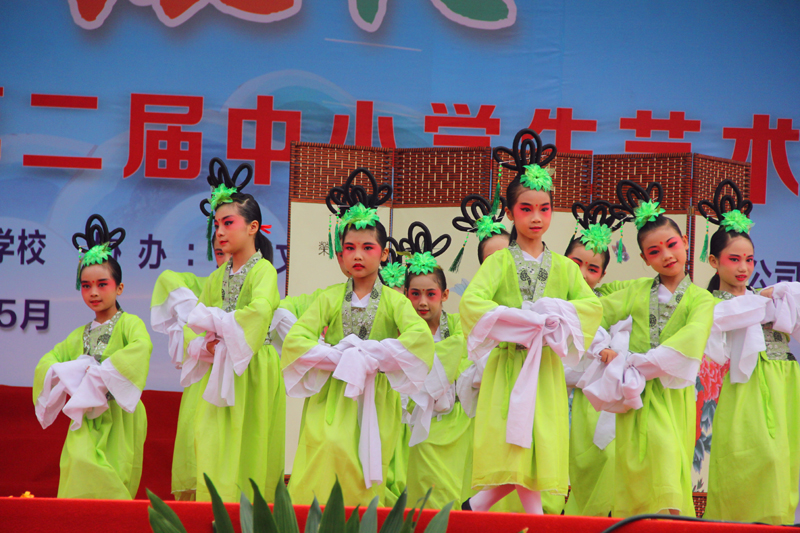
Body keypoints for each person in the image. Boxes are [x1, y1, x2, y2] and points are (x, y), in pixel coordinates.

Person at [459, 128, 602, 514]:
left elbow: (591, 308)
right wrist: (522, 322)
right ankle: (503, 515)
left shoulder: (565, 267)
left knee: (536, 449)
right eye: (526, 209)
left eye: (544, 208)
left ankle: (474, 510)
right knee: (517, 450)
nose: (536, 217)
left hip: (546, 369)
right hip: (509, 366)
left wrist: (555, 316)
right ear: (509, 213)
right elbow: (472, 304)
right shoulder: (499, 261)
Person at [282, 167, 434, 506]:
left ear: (384, 253)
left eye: (367, 247)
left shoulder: (395, 301)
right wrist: (340, 356)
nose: (358, 255)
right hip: (333, 395)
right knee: (327, 446)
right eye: (349, 248)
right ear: (340, 254)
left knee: (366, 464)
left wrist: (372, 356)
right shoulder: (329, 298)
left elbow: (419, 339)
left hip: (375, 397)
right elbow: (297, 339)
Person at [582, 180, 715, 517]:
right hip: (636, 392)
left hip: (672, 392)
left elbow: (694, 335)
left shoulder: (701, 298)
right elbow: (596, 312)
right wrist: (601, 347)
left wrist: (643, 362)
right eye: (655, 252)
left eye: (671, 245)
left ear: (685, 242)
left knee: (669, 460)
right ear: (644, 258)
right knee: (636, 468)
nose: (666, 255)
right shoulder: (636, 290)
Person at [177, 158, 284, 502]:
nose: (220, 232)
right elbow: (193, 322)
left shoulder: (263, 271)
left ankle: (245, 515)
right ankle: (212, 508)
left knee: (249, 445)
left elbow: (261, 310)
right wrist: (204, 344)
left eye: (228, 223)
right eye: (217, 224)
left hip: (251, 369)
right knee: (210, 441)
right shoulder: (215, 278)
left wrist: (220, 328)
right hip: (218, 367)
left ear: (253, 227)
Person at [699, 179, 800, 525]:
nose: (743, 268)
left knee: (784, 463)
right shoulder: (712, 303)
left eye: (749, 259)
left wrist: (776, 295)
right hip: (745, 387)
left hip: (785, 381)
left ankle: (777, 525)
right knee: (752, 460)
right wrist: (766, 300)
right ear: (714, 261)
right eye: (734, 259)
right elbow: (725, 319)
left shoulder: (766, 298)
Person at [33, 214, 152, 499]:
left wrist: (101, 374)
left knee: (114, 476)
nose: (93, 292)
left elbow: (141, 347)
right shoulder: (80, 335)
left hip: (120, 415)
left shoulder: (129, 324)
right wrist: (67, 373)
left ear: (119, 287)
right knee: (79, 464)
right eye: (86, 285)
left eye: (102, 284)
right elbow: (49, 360)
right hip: (86, 417)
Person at [150, 232, 229, 500]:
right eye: (219, 252)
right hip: (203, 382)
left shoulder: (258, 286)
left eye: (231, 251)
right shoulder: (203, 286)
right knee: (199, 447)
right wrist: (201, 320)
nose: (225, 258)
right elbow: (167, 279)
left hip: (239, 380)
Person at [561, 199, 626, 517]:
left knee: (599, 467)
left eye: (593, 269)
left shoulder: (607, 303)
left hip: (591, 403)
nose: (583, 274)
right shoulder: (546, 300)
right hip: (548, 396)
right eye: (576, 263)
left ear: (602, 275)